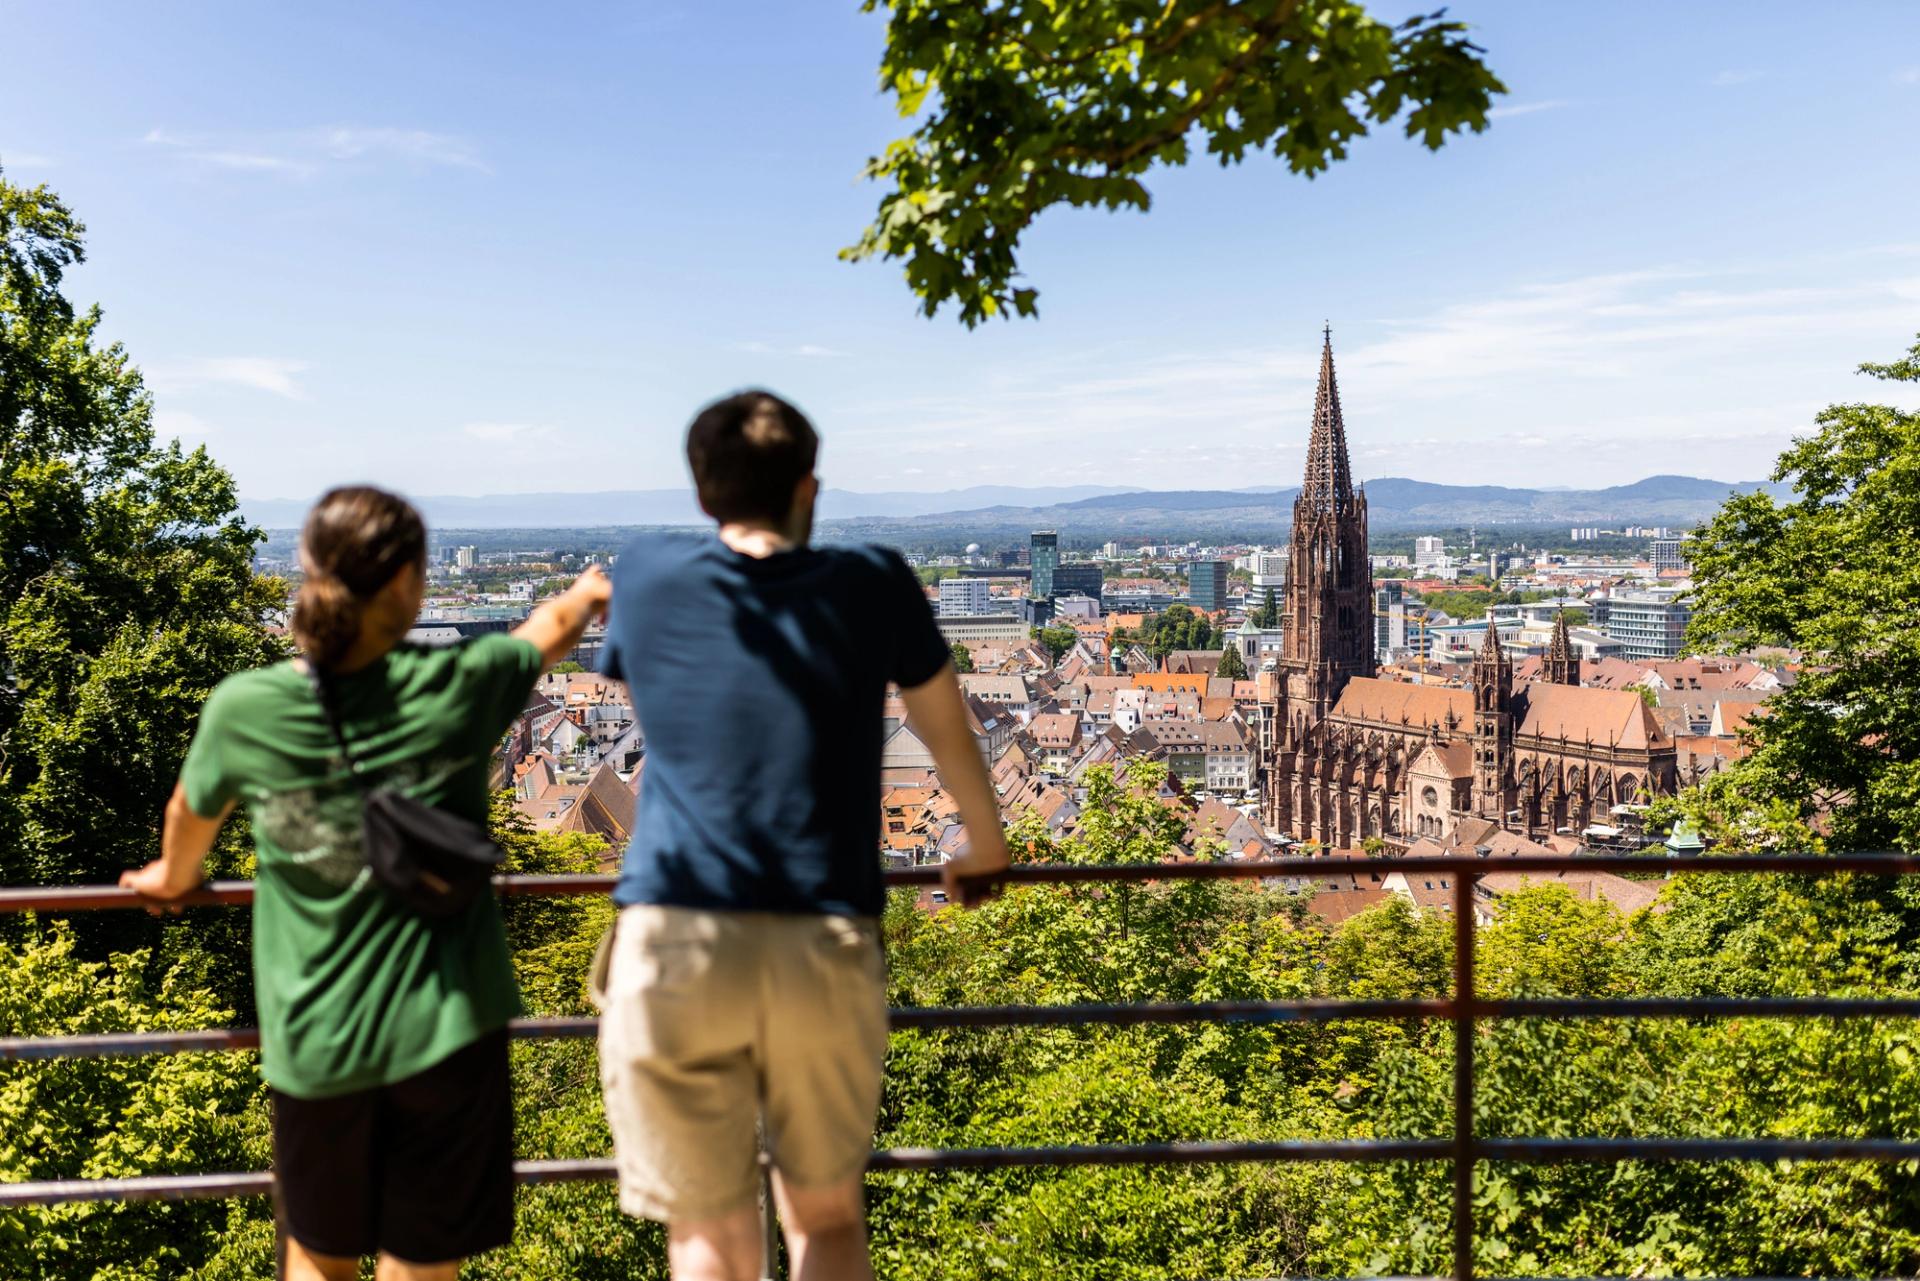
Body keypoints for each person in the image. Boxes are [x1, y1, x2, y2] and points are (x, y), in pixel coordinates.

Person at [120, 486, 610, 1281]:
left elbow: (188, 815)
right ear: (412, 586)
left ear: (310, 573)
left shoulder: (249, 706)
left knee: (319, 1253)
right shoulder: (458, 684)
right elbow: (548, 631)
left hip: (318, 1031)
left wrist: (171, 876)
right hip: (446, 1026)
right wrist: (589, 590)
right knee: (422, 1260)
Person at [592, 391, 1011, 1281]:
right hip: (821, 927)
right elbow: (946, 727)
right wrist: (983, 840)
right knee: (825, 1218)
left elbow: (667, 720)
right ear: (810, 489)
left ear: (704, 495)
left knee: (705, 1232)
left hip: (675, 930)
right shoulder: (872, 581)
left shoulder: (646, 575)